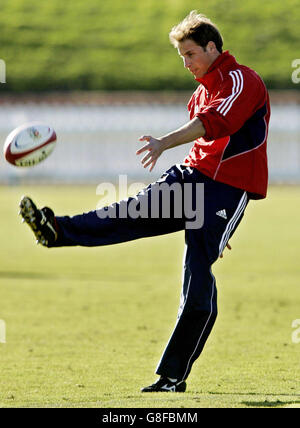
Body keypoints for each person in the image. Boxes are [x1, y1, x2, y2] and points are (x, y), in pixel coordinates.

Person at [19, 11, 270, 393]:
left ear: (212, 47)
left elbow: (214, 124)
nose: (185, 63)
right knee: (126, 213)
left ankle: (171, 376)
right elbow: (205, 141)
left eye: (190, 54)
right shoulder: (201, 91)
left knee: (196, 276)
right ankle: (56, 231)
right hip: (190, 178)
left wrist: (162, 143)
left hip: (225, 189)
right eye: (181, 56)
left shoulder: (241, 79)